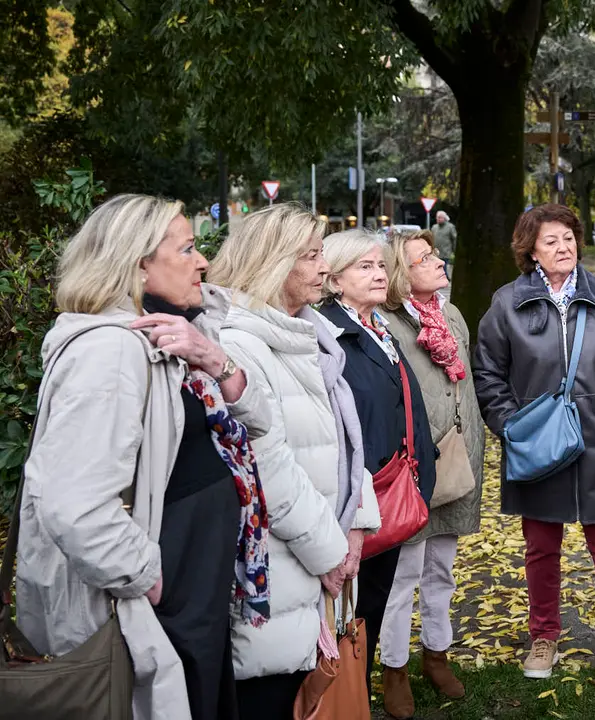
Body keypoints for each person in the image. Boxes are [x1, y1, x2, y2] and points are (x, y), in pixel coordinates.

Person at [17, 194, 273, 720]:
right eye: (187, 248)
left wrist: (211, 356)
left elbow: (259, 422)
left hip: (190, 592)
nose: (204, 261)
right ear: (138, 264)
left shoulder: (174, 332)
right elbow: (72, 504)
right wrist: (146, 577)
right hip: (157, 599)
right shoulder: (111, 351)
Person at [208, 204, 382, 717]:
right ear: (273, 261)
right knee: (274, 698)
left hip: (316, 559)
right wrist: (329, 552)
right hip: (279, 573)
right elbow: (267, 470)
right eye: (311, 256)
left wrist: (358, 522)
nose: (324, 267)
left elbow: (343, 440)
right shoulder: (240, 346)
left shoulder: (307, 334)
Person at [473, 204, 595, 692]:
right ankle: (543, 637)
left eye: (568, 238)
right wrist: (511, 426)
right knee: (541, 547)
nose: (563, 247)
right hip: (536, 441)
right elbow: (488, 373)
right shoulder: (507, 303)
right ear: (531, 250)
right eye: (550, 241)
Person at [316, 229, 439, 691]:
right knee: (345, 612)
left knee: (370, 605)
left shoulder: (378, 327)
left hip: (392, 492)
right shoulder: (329, 334)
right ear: (335, 279)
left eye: (382, 265)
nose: (379, 274)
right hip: (355, 500)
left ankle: (357, 695)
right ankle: (338, 699)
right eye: (364, 267)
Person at [377, 230, 486, 718]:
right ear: (402, 274)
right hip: (415, 465)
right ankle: (394, 667)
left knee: (442, 568)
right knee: (404, 573)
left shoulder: (451, 313)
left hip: (457, 457)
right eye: (425, 258)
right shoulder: (387, 323)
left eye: (435, 254)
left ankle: (436, 655)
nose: (439, 261)